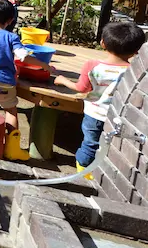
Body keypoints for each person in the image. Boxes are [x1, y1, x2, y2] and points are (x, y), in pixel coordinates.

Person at [54, 22, 146, 177]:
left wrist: (62, 80)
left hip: (95, 113)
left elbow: (81, 89)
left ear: (103, 43)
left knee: (90, 143)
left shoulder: (93, 65)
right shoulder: (134, 72)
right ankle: (100, 171)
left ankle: (83, 172)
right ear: (136, 51)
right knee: (111, 145)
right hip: (119, 117)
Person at [0, 0, 53, 161]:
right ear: (10, 20)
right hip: (2, 82)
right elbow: (23, 56)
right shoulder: (11, 37)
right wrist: (44, 65)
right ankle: (11, 149)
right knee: (10, 111)